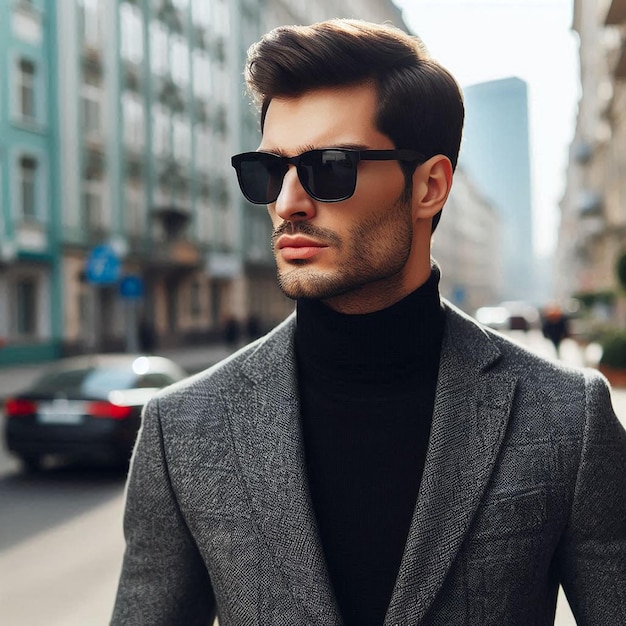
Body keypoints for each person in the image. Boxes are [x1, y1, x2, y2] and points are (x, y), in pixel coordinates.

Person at [111, 19, 626, 626]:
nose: (288, 203)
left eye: (331, 167)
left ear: (429, 186)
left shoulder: (567, 415)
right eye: (268, 171)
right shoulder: (182, 427)